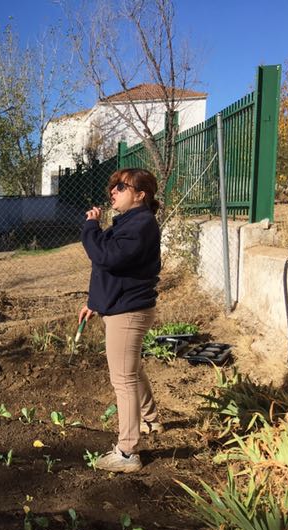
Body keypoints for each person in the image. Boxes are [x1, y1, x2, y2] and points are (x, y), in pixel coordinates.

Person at [79, 168, 162, 473]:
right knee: (132, 371)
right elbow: (112, 267)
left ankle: (127, 452)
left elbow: (105, 257)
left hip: (127, 312)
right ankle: (151, 420)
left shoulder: (140, 224)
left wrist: (90, 227)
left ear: (140, 194)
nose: (113, 191)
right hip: (122, 306)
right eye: (113, 186)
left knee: (123, 380)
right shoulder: (129, 222)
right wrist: (94, 303)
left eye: (122, 187)